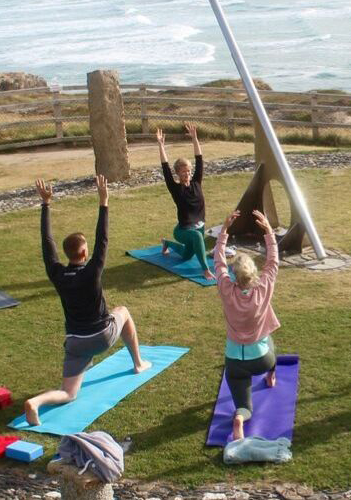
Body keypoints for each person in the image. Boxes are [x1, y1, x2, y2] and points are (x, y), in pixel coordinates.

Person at [25, 175, 151, 426]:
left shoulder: (57, 273)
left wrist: (46, 205)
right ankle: (138, 363)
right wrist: (104, 202)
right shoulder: (92, 271)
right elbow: (102, 239)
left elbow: (46, 244)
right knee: (123, 310)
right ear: (84, 253)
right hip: (102, 336)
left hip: (76, 343)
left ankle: (36, 402)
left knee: (69, 393)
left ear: (68, 254)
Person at [213, 209, 282, 442]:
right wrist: (268, 231)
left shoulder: (226, 288)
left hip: (235, 363)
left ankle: (241, 418)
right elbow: (273, 260)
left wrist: (224, 231)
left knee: (245, 406)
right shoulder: (263, 288)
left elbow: (219, 261)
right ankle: (271, 375)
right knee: (269, 337)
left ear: (234, 276)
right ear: (253, 274)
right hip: (262, 359)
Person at [157, 125, 214, 280]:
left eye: (188, 171)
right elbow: (165, 169)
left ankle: (167, 243)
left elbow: (199, 159)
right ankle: (206, 270)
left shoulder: (197, 182)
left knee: (187, 255)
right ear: (178, 173)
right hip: (183, 230)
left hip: (199, 226)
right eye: (183, 172)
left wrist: (195, 139)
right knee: (196, 237)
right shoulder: (175, 189)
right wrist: (161, 145)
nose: (187, 174)